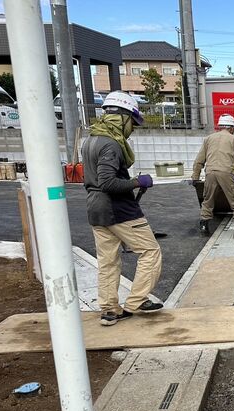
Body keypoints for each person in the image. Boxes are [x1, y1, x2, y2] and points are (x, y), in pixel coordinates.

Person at [82, 91, 163, 326]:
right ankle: (137, 301)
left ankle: (109, 310)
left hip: (96, 210)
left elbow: (98, 180)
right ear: (123, 117)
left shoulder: (92, 140)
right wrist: (138, 181)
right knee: (150, 251)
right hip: (118, 209)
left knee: (107, 260)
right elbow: (107, 182)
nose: (133, 129)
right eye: (132, 123)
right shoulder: (111, 145)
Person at [191, 113, 234, 239]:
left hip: (210, 172)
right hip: (226, 172)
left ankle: (205, 227)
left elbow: (199, 159)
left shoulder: (209, 139)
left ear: (220, 126)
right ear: (231, 128)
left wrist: (195, 176)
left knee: (208, 200)